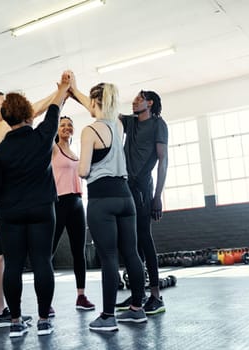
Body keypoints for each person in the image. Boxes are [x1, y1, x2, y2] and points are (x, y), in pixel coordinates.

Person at [0, 72, 70, 338]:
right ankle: (44, 320)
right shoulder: (43, 136)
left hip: (10, 214)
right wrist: (63, 89)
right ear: (29, 116)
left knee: (13, 266)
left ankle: (16, 321)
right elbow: (55, 111)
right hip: (43, 209)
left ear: (6, 119)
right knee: (43, 262)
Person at [0, 90, 56, 328]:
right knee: (19, 261)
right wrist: (61, 92)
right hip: (20, 208)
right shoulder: (5, 132)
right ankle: (17, 315)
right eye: (2, 103)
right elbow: (42, 112)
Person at [74, 80, 147, 332]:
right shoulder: (118, 125)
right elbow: (103, 111)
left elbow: (83, 170)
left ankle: (107, 316)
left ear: (95, 102)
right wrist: (74, 91)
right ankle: (137, 309)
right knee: (132, 254)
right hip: (126, 197)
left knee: (108, 258)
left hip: (101, 199)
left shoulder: (89, 131)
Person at [115, 90, 168, 315]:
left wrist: (157, 196)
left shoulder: (158, 124)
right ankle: (138, 293)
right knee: (130, 241)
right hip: (125, 187)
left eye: (139, 98)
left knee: (144, 239)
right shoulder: (131, 122)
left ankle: (156, 296)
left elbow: (163, 161)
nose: (134, 101)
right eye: (135, 98)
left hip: (144, 189)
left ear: (150, 102)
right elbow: (105, 111)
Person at [51, 116, 95, 311]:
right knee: (48, 252)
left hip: (77, 203)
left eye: (70, 125)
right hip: (58, 203)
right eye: (62, 125)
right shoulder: (53, 149)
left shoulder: (76, 154)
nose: (67, 128)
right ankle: (46, 301)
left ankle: (81, 295)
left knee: (79, 252)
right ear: (57, 129)